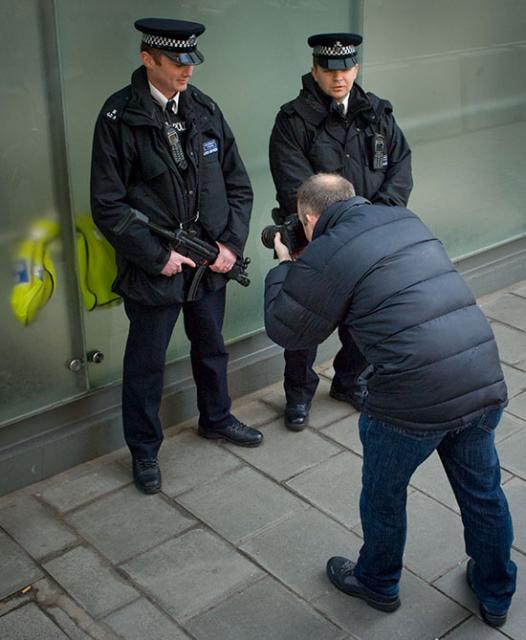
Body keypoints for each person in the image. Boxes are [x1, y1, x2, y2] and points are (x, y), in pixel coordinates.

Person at [264, 173, 516, 627]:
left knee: (384, 492)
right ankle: (497, 594)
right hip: (480, 376)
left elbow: (289, 329)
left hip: (411, 399)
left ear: (310, 217)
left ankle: (378, 582)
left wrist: (286, 266)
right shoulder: (404, 218)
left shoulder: (326, 249)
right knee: (482, 492)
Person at [91, 18, 263, 495]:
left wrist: (231, 244)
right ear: (148, 59)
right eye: (176, 62)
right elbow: (107, 204)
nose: (187, 71)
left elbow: (237, 184)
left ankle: (217, 417)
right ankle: (144, 450)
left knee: (211, 347)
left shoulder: (204, 108)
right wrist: (155, 256)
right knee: (146, 363)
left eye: (191, 61)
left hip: (209, 260)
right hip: (157, 267)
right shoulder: (119, 118)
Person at [269, 33, 413, 431]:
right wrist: (348, 228)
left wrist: (374, 223)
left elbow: (400, 168)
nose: (339, 78)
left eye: (346, 69)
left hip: (370, 239)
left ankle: (350, 381)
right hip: (316, 241)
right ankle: (297, 395)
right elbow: (297, 188)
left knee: (367, 316)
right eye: (330, 70)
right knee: (304, 324)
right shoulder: (292, 120)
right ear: (315, 70)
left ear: (356, 69)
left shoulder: (377, 112)